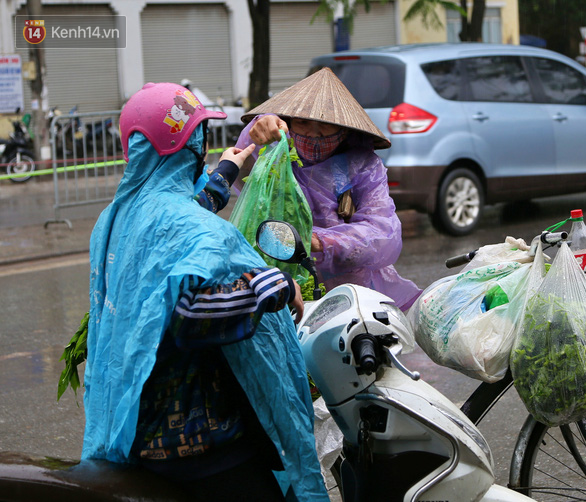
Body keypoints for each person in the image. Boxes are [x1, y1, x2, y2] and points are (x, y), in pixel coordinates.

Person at [82, 82, 329, 501]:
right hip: (198, 443)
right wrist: (275, 284)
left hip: (133, 426)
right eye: (202, 137)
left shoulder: (116, 217)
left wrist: (225, 173)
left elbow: (176, 232)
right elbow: (191, 314)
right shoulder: (189, 227)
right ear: (192, 145)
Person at [235, 67, 422, 310]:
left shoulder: (362, 165)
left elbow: (383, 232)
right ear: (289, 123)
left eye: (324, 125)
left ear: (343, 129)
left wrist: (318, 242)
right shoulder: (277, 153)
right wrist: (260, 127)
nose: (313, 134)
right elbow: (243, 173)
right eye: (302, 122)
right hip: (282, 282)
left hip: (349, 291)